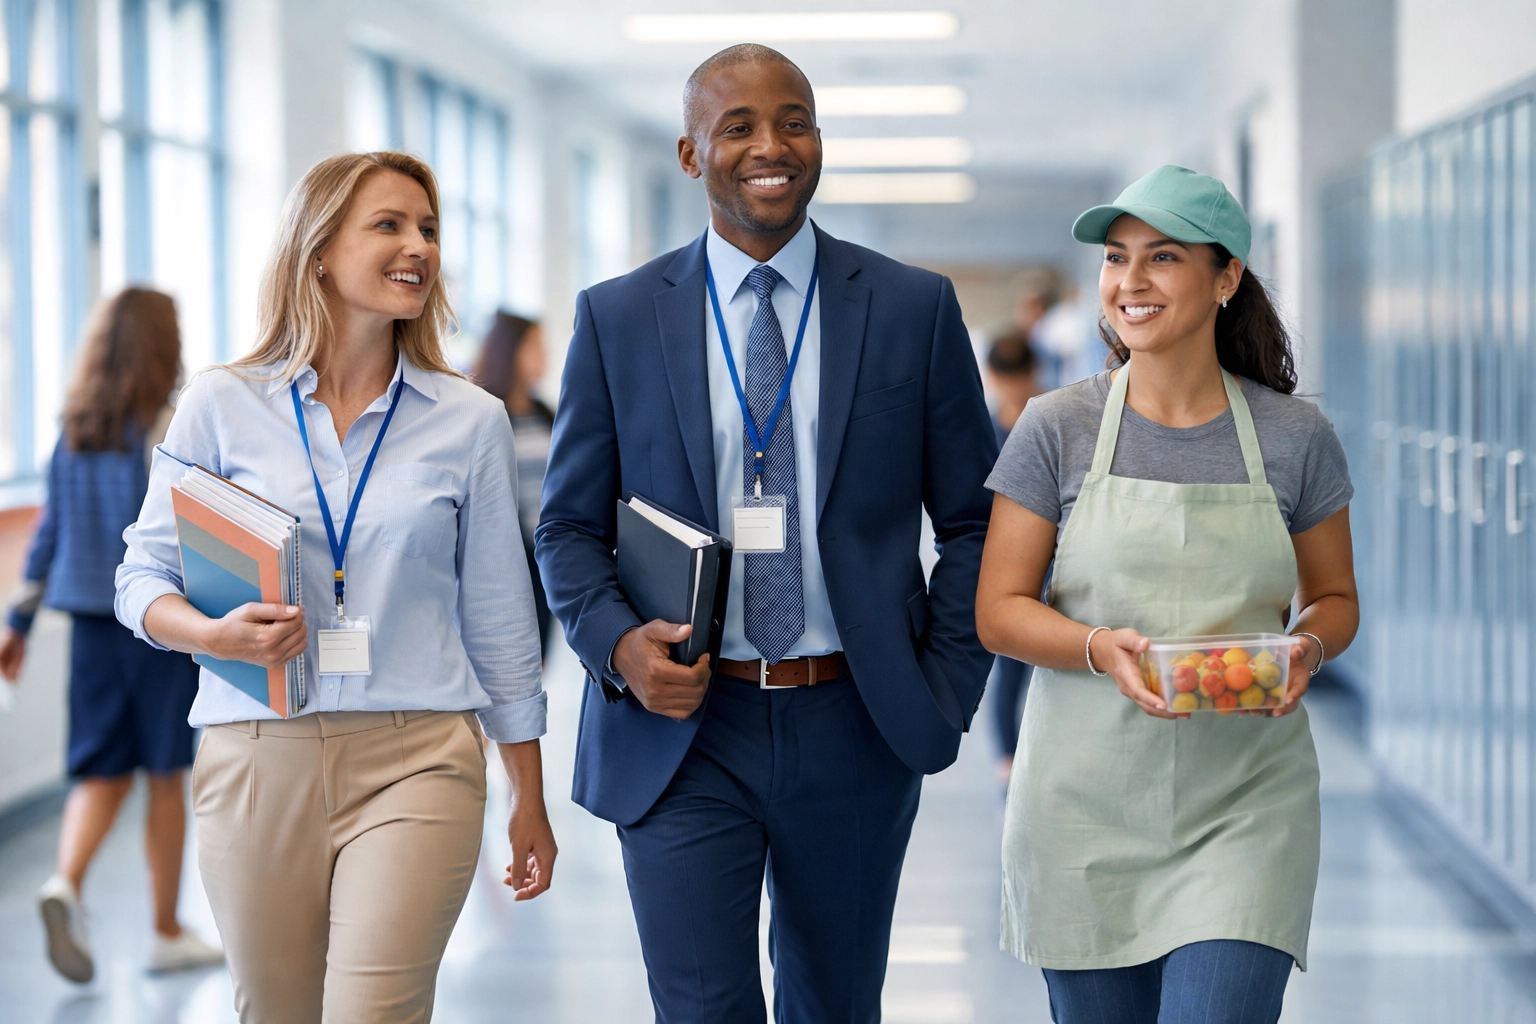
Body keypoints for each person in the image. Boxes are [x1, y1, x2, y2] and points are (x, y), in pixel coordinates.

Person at [536, 44, 996, 1023]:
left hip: (855, 717)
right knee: (703, 1008)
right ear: (691, 153)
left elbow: (974, 522)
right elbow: (569, 527)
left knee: (836, 1005)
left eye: (794, 119)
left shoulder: (913, 307)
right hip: (682, 726)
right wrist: (621, 648)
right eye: (737, 125)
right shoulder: (618, 318)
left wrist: (943, 689)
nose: (770, 144)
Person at [114, 151, 556, 1022]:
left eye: (428, 228)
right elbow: (142, 577)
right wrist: (213, 636)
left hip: (419, 756)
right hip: (255, 757)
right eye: (389, 225)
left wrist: (527, 793)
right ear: (317, 250)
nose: (419, 247)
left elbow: (500, 617)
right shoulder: (220, 404)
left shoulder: (469, 420)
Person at [975, 165, 1359, 1023]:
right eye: (1116, 258)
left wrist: (1308, 646)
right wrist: (1093, 647)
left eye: (1163, 257)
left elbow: (1333, 596)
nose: (1130, 282)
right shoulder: (1057, 426)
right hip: (1084, 804)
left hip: (1248, 804)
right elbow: (998, 610)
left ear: (1226, 279)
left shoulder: (1295, 436)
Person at [0, 288, 223, 982]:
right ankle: (165, 930)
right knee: (164, 774)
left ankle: (64, 880)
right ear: (165, 344)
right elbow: (183, 542)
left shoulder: (75, 430)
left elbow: (48, 538)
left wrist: (17, 624)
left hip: (89, 628)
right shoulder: (167, 428)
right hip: (157, 624)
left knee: (99, 768)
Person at [472, 311, 556, 657]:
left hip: (546, 557)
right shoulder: (486, 415)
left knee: (537, 659)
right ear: (510, 351)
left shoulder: (545, 414)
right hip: (505, 560)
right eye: (535, 347)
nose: (544, 357)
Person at [982, 330, 1042, 783]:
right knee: (1010, 665)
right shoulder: (985, 429)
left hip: (1055, 560)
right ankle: (1008, 761)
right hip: (1004, 563)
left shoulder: (1049, 423)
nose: (1013, 390)